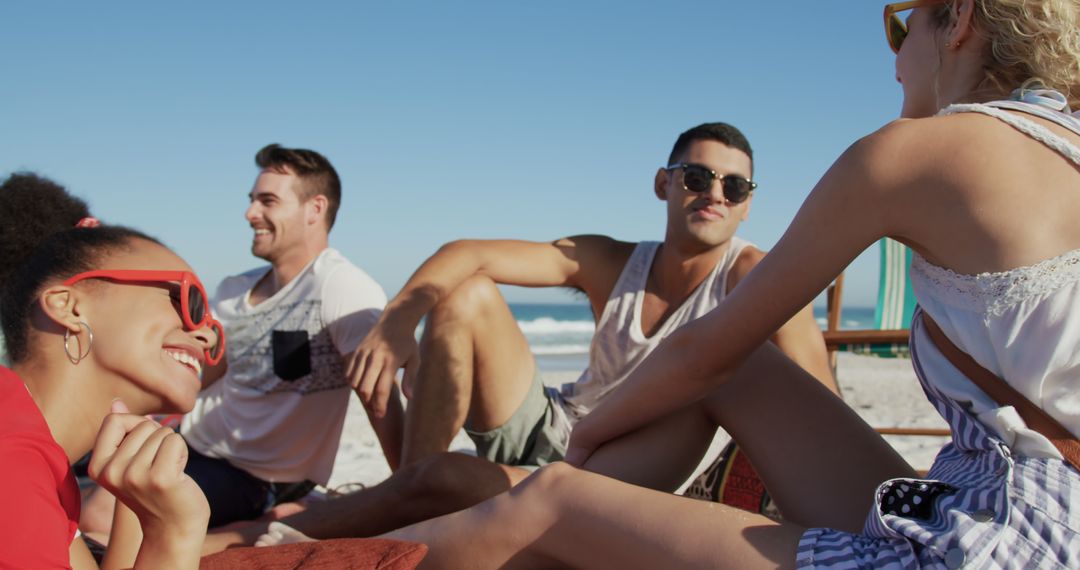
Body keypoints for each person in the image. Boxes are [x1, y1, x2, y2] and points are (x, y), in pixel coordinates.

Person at [381, 1, 1080, 567]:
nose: (894, 57)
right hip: (1011, 503)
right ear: (666, 184)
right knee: (740, 370)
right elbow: (733, 366)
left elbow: (701, 353)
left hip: (1003, 541)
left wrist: (588, 437)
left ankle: (313, 561)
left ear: (957, 19)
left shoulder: (917, 153)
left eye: (900, 22)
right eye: (695, 178)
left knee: (552, 500)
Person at [205, 122, 836, 550]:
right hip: (556, 425)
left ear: (748, 203)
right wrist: (398, 321)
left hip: (625, 472)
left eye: (734, 186)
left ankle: (271, 533)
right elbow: (467, 251)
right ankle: (408, 489)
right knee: (467, 291)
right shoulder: (611, 261)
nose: (714, 194)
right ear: (664, 184)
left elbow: (821, 403)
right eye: (696, 177)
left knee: (446, 482)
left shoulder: (754, 279)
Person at [0, 172, 220, 568]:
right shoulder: (10, 459)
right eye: (188, 299)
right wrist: (176, 533)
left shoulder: (40, 462)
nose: (205, 333)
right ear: (69, 306)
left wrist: (141, 505)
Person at [175, 144, 397, 527]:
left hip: (258, 478)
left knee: (112, 511)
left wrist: (410, 494)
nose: (250, 213)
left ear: (315, 209)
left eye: (268, 201)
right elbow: (208, 377)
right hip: (190, 438)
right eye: (251, 200)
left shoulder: (340, 288)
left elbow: (381, 401)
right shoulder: (232, 288)